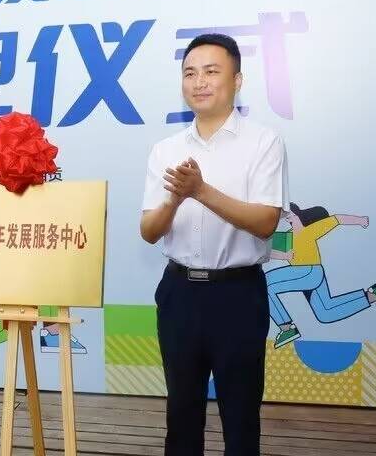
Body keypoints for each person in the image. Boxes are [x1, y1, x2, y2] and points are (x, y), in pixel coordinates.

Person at [140, 33, 288, 455]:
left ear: (237, 80)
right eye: (190, 73)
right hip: (179, 293)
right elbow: (149, 231)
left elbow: (266, 222)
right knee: (181, 412)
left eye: (210, 71)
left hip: (237, 294)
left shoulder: (263, 142)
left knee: (240, 415)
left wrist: (201, 191)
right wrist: (175, 198)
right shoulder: (165, 149)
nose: (199, 82)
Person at [266, 203, 376, 348]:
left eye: (288, 213)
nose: (285, 216)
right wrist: (284, 255)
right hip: (307, 275)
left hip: (309, 271)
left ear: (297, 214)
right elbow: (266, 250)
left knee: (266, 283)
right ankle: (374, 295)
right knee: (325, 312)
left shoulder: (309, 230)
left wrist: (361, 220)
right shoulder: (287, 236)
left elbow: (337, 219)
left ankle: (287, 328)